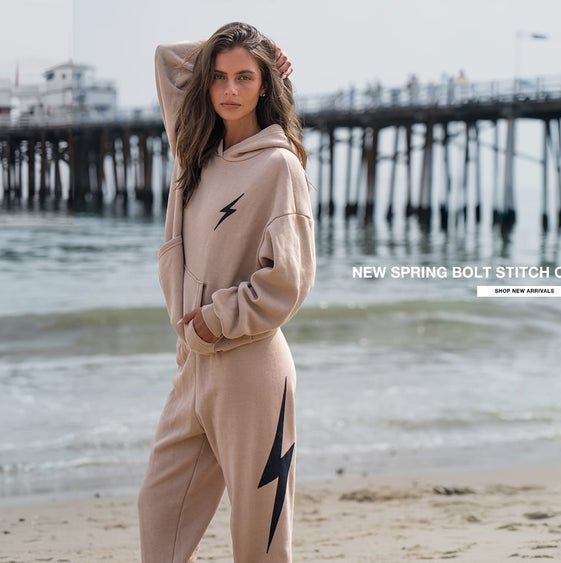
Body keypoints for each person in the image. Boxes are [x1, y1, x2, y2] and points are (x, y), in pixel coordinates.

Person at [139, 22, 315, 563]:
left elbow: (290, 277)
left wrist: (217, 319)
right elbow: (168, 58)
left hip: (250, 367)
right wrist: (253, 47)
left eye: (245, 77)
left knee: (257, 540)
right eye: (218, 77)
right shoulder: (194, 151)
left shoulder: (278, 165)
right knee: (160, 511)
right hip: (194, 364)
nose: (229, 90)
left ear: (266, 86)